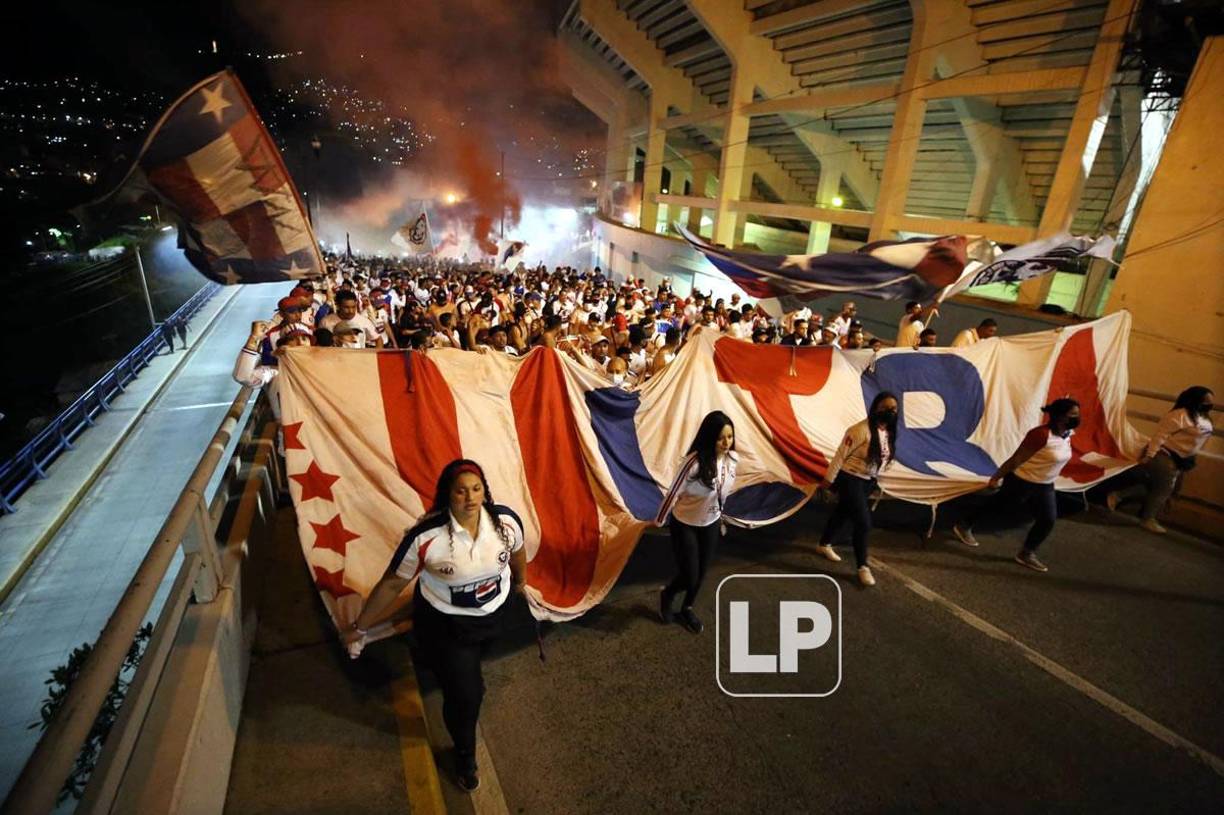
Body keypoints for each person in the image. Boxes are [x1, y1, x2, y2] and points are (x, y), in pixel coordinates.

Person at [342, 460, 528, 793]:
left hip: (494, 617)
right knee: (467, 696)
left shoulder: (505, 522)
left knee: (470, 670)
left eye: (476, 489)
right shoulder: (426, 536)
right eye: (461, 491)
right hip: (448, 626)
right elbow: (392, 583)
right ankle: (465, 756)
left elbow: (518, 552)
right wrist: (360, 626)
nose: (470, 498)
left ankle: (439, 663)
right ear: (448, 494)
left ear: (485, 490)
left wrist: (521, 583)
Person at [952, 399, 1082, 572]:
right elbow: (1017, 459)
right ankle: (965, 524)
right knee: (999, 506)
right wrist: (996, 477)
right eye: (1073, 414)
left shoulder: (1068, 434)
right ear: (1060, 416)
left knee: (1048, 519)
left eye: (1077, 414)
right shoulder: (1040, 435)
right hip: (1022, 481)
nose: (1077, 417)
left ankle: (1027, 553)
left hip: (1045, 485)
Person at [655, 411, 738, 634]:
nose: (726, 443)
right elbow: (673, 492)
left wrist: (720, 515)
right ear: (710, 437)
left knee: (701, 574)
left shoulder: (732, 461)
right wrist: (660, 520)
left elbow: (723, 491)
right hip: (685, 524)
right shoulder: (693, 463)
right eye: (720, 438)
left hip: (711, 522)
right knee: (690, 575)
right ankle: (668, 594)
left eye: (730, 437)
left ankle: (687, 608)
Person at [815, 392, 899, 587]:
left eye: (894, 409)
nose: (890, 412)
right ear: (876, 408)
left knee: (842, 513)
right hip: (850, 478)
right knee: (863, 523)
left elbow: (883, 458)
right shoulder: (860, 430)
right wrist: (828, 480)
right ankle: (863, 566)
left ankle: (823, 544)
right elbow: (840, 455)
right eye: (885, 408)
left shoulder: (887, 431)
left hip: (868, 481)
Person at [1106, 386, 1214, 533]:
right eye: (1206, 401)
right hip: (1166, 455)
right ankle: (1147, 519)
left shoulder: (1203, 418)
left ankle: (1118, 495)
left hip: (1182, 460)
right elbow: (1160, 436)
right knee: (1164, 489)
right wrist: (1149, 455)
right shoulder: (1179, 415)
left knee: (1158, 488)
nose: (1209, 405)